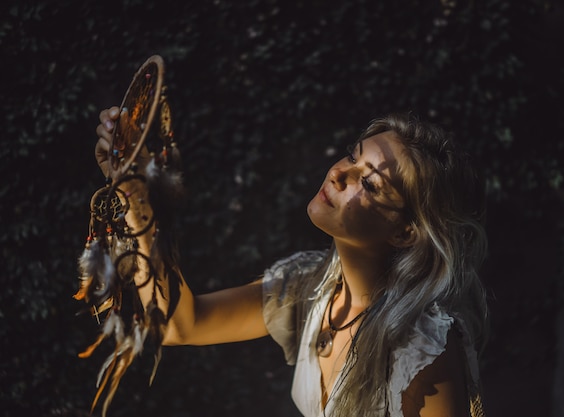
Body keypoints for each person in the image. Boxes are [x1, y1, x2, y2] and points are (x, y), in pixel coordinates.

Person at [95, 108, 488, 417]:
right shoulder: (308, 286)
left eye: (368, 183)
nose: (338, 173)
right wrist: (134, 197)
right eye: (352, 156)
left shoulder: (423, 348)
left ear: (405, 232)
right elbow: (182, 324)